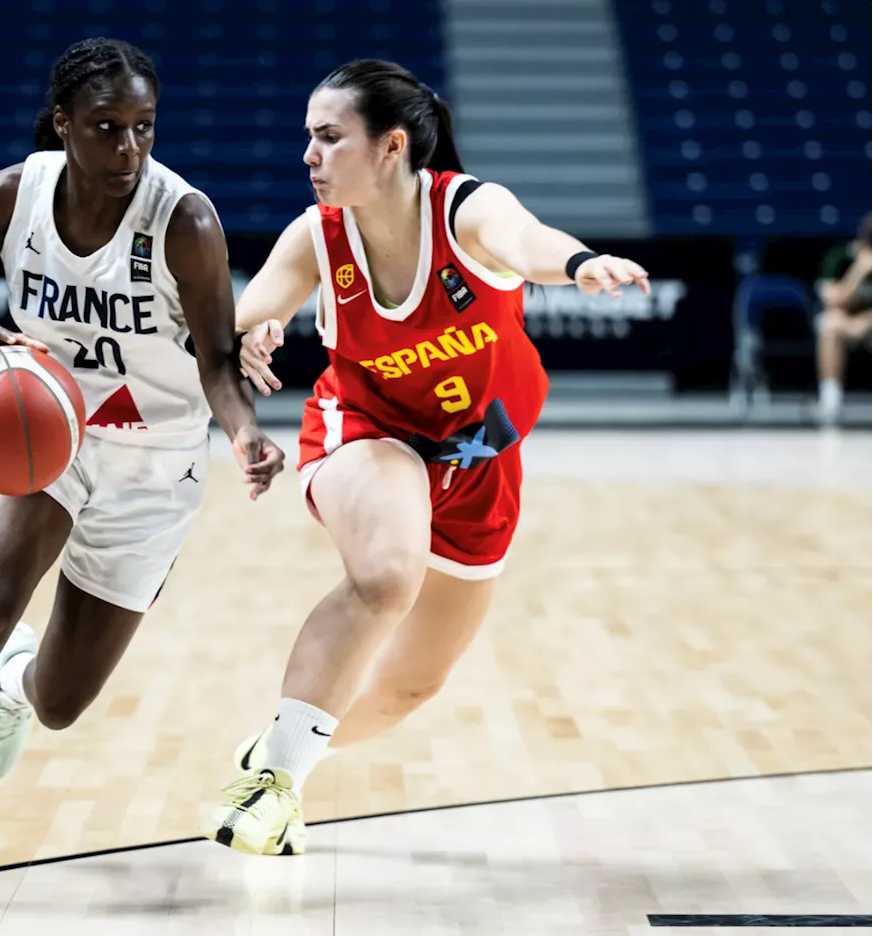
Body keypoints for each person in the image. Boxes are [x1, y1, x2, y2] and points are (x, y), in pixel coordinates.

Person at [0, 37, 284, 913]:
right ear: (64, 124)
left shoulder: (184, 218)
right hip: (47, 435)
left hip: (156, 464)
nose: (128, 151)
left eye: (144, 129)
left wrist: (245, 437)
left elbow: (221, 363)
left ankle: (17, 685)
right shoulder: (13, 192)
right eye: (107, 128)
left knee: (64, 702)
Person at [199, 59, 650, 856]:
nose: (309, 154)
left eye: (329, 137)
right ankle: (270, 789)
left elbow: (528, 241)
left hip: (481, 458)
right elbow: (248, 307)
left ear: (391, 147)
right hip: (368, 431)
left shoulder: (467, 209)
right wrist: (252, 331)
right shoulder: (317, 234)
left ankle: (280, 754)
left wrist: (578, 263)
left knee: (412, 686)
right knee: (389, 571)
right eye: (308, 137)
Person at [814, 211, 873, 426]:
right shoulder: (839, 256)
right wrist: (858, 271)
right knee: (829, 324)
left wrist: (867, 320)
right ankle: (831, 401)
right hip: (846, 324)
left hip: (867, 322)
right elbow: (833, 300)